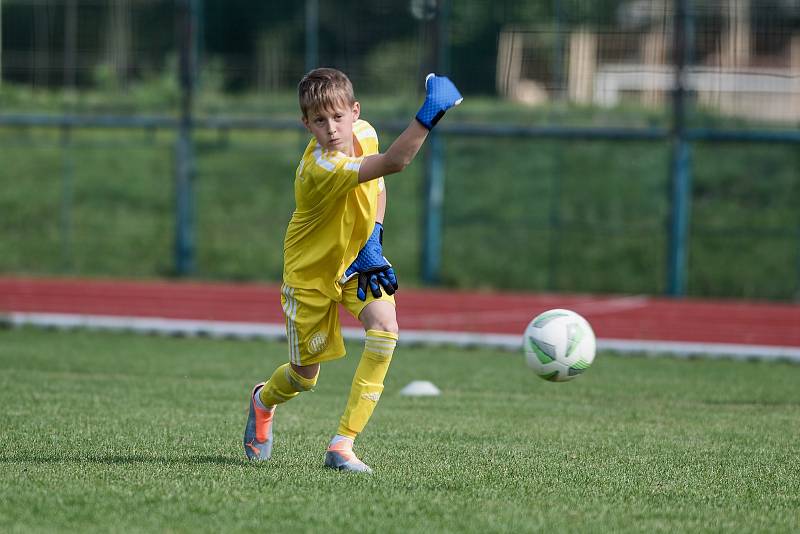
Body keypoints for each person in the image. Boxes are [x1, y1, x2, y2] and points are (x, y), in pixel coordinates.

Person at [243, 67, 462, 473]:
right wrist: (430, 112)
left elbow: (378, 186)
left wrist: (374, 238)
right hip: (309, 277)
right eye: (319, 120)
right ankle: (262, 400)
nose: (331, 128)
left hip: (357, 262)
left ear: (354, 111)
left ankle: (342, 445)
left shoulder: (365, 134)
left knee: (385, 331)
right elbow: (396, 163)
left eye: (338, 117)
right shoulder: (320, 168)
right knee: (304, 377)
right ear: (305, 123)